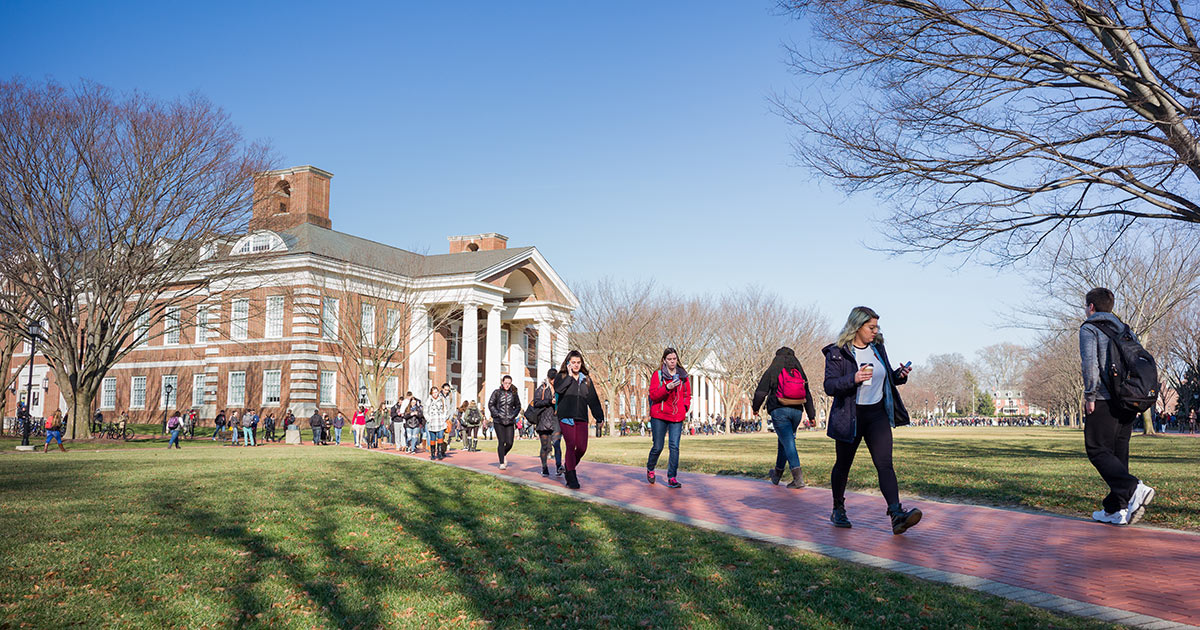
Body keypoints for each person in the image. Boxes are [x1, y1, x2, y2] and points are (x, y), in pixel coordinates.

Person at [823, 306, 922, 534]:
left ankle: (896, 515)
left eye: (877, 327)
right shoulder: (838, 352)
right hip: (851, 416)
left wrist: (898, 376)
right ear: (856, 327)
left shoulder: (878, 348)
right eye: (871, 327)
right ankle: (838, 508)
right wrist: (854, 378)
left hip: (876, 415)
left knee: (885, 464)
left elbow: (885, 376)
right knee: (843, 465)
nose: (875, 331)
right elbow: (830, 386)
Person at [1080, 287, 1156, 525]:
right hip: (1128, 399)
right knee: (1118, 451)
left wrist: (1090, 396)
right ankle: (1116, 509)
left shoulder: (1089, 328)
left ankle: (1134, 488)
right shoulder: (1125, 329)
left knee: (1096, 448)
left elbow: (1090, 365)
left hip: (1103, 398)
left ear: (1091, 306)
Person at [752, 347, 819, 490]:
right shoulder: (799, 372)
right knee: (783, 441)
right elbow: (807, 394)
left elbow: (761, 391)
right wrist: (812, 415)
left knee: (788, 442)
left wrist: (756, 408)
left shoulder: (773, 370)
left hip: (779, 410)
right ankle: (776, 474)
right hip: (797, 411)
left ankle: (798, 478)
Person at [554, 350, 605, 489]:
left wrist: (599, 417)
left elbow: (593, 400)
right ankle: (571, 476)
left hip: (581, 417)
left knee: (582, 447)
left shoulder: (586, 380)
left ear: (581, 363)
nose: (576, 365)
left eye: (578, 362)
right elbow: (558, 390)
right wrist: (569, 377)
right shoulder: (562, 376)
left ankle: (568, 466)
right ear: (568, 363)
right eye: (573, 363)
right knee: (570, 445)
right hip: (566, 417)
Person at [646, 348, 692, 488]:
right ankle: (650, 467)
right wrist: (667, 387)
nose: (672, 362)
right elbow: (653, 395)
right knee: (658, 446)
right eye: (669, 359)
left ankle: (672, 477)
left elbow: (687, 395)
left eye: (674, 359)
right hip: (659, 415)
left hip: (677, 416)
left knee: (674, 447)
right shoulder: (658, 375)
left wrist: (685, 407)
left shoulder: (683, 376)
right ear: (664, 360)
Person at [530, 368, 564, 477]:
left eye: (555, 379)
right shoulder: (542, 388)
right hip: (544, 420)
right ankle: (544, 467)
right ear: (548, 378)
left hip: (556, 419)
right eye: (552, 379)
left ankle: (559, 466)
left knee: (557, 444)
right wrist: (550, 401)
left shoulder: (561, 388)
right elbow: (536, 402)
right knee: (545, 446)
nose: (554, 381)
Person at [488, 375, 522, 470]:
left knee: (510, 442)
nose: (507, 385)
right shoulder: (497, 393)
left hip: (510, 421)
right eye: (506, 383)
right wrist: (498, 414)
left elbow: (518, 406)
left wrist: (513, 415)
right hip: (499, 421)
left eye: (509, 383)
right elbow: (491, 404)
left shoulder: (514, 394)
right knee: (501, 441)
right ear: (502, 382)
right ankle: (502, 462)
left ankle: (503, 453)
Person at [425, 386, 451, 460]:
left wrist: (444, 418)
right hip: (432, 423)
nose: (435, 394)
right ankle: (433, 453)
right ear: (431, 393)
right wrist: (428, 419)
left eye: (436, 392)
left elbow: (445, 409)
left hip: (440, 422)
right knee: (432, 439)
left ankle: (439, 453)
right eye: (433, 392)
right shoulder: (429, 400)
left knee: (440, 437)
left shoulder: (441, 399)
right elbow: (425, 411)